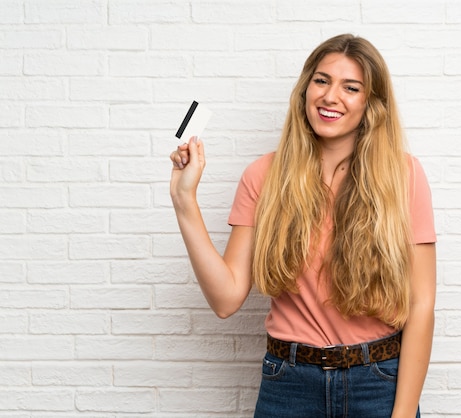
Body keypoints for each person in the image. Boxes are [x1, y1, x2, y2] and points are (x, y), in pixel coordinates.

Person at [169, 33, 436, 418]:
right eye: (322, 80)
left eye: (351, 87)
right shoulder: (263, 175)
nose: (330, 96)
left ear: (371, 103)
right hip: (288, 385)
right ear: (305, 89)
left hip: (379, 384)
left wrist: (404, 413)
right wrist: (184, 201)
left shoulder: (404, 175)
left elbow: (421, 304)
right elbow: (226, 299)